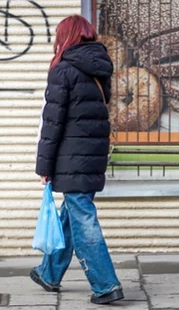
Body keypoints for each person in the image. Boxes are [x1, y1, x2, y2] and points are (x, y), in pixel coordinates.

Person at [30, 15, 124, 305]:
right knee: (72, 216)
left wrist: (44, 167)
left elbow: (52, 123)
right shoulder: (100, 67)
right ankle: (49, 273)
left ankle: (106, 284)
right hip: (91, 157)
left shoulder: (64, 70)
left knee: (83, 219)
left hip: (72, 158)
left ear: (65, 37)